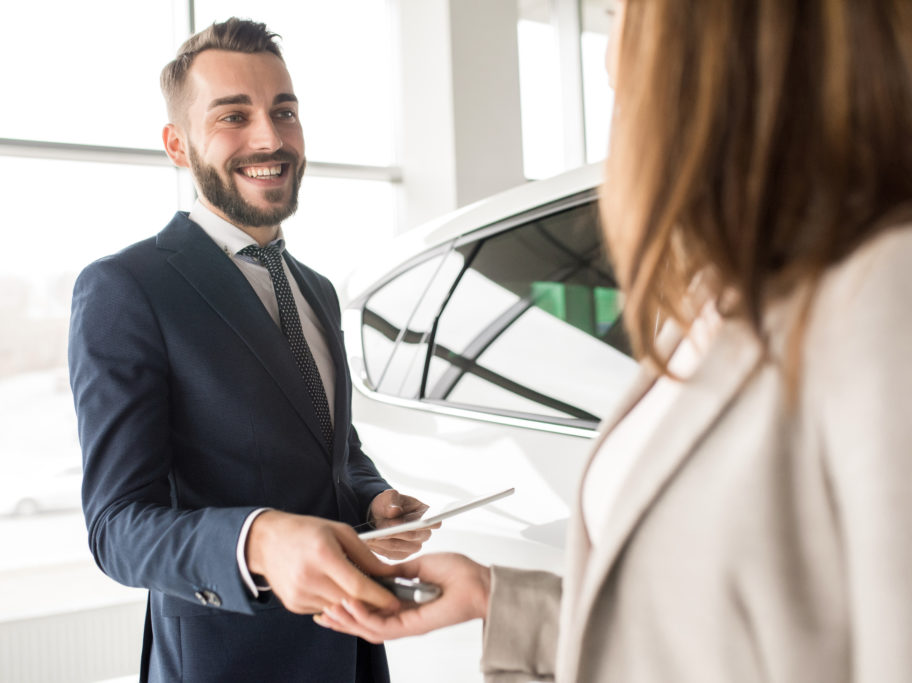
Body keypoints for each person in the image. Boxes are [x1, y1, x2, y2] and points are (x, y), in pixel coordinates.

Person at [315, 1, 912, 681]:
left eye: (622, 17)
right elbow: (693, 631)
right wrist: (493, 597)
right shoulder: (713, 307)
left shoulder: (885, 299)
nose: (609, 71)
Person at [68, 17, 432, 683]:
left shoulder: (316, 290)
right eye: (233, 115)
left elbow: (331, 448)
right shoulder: (128, 288)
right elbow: (117, 528)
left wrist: (373, 499)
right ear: (178, 146)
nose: (270, 137)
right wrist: (257, 538)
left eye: (283, 111)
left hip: (352, 651)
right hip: (228, 662)